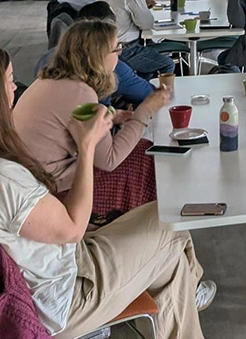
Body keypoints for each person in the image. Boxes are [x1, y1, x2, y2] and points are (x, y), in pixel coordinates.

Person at [0, 44, 213, 338]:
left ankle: (190, 286)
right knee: (172, 229)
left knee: (169, 251)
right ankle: (194, 285)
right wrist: (86, 145)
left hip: (52, 267)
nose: (14, 88)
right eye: (8, 79)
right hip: (63, 298)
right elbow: (73, 228)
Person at [15, 21, 170, 225]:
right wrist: (146, 110)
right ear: (98, 56)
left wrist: (110, 116)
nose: (120, 54)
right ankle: (139, 224)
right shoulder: (80, 92)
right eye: (117, 48)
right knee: (145, 155)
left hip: (29, 179)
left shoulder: (50, 80)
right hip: (53, 189)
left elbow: (64, 121)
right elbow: (109, 160)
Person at [35, 1, 155, 107]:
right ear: (100, 48)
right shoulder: (85, 90)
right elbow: (151, 95)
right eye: (116, 46)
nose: (119, 53)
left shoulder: (47, 59)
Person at [97, 0, 175, 79]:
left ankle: (142, 91)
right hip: (126, 49)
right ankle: (158, 96)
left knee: (149, 66)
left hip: (106, 46)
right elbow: (147, 24)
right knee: (167, 64)